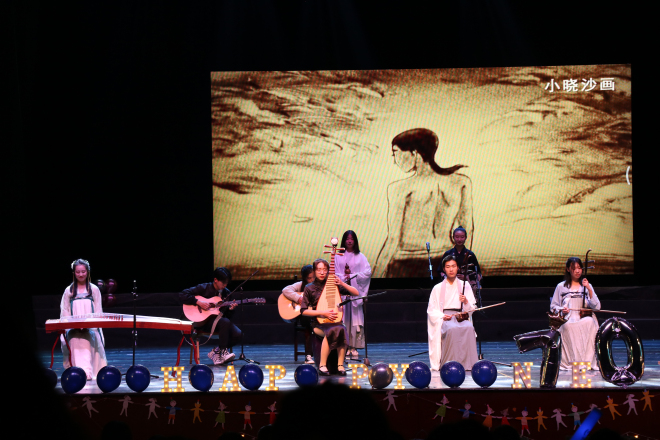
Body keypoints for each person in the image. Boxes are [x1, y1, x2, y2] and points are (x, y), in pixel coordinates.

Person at [373, 128, 473, 278]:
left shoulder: (400, 188)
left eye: (396, 152)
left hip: (405, 265)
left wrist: (374, 279)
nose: (394, 160)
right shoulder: (461, 182)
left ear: (414, 152)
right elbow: (467, 230)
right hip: (446, 261)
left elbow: (393, 239)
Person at [300, 258, 359, 376]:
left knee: (341, 329)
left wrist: (342, 283)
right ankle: (322, 365)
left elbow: (356, 293)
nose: (322, 272)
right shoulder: (309, 288)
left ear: (328, 270)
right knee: (332, 331)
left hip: (335, 323)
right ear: (314, 271)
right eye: (319, 270)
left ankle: (340, 365)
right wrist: (323, 313)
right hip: (318, 323)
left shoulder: (333, 285)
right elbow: (303, 311)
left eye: (324, 269)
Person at [179, 267, 241, 365]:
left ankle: (216, 352)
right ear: (215, 280)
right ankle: (223, 352)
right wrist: (198, 302)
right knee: (225, 322)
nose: (225, 285)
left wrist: (230, 309)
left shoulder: (227, 293)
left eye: (226, 283)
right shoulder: (203, 288)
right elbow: (182, 294)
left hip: (219, 323)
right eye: (223, 283)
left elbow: (227, 316)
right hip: (202, 323)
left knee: (238, 334)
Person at [59, 259, 108, 380]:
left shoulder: (94, 289)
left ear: (87, 272)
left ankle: (88, 373)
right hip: (73, 327)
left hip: (91, 327)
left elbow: (98, 310)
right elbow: (65, 310)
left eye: (83, 271)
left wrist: (92, 324)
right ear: (74, 273)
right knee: (74, 342)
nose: (80, 274)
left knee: (89, 340)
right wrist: (70, 325)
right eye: (78, 272)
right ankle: (78, 372)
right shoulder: (69, 290)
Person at [427, 255, 478, 371]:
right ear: (444, 269)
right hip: (445, 317)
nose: (451, 269)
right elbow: (431, 310)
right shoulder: (437, 288)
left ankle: (469, 364)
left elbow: (471, 308)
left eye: (453, 266)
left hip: (460, 316)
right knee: (451, 329)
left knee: (469, 327)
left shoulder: (465, 285)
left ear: (458, 268)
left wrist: (466, 302)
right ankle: (449, 365)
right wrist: (442, 316)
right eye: (448, 267)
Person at [550, 257, 601, 370]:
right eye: (574, 268)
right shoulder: (561, 286)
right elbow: (553, 306)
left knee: (590, 321)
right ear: (568, 269)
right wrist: (562, 309)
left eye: (579, 268)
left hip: (583, 317)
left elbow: (597, 307)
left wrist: (589, 288)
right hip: (568, 318)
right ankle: (573, 361)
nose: (577, 271)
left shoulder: (586, 286)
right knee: (566, 326)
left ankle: (587, 362)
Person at [334, 230, 372, 359]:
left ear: (355, 240)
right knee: (343, 319)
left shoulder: (360, 256)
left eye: (352, 239)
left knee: (355, 320)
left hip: (355, 294)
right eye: (347, 239)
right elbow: (334, 273)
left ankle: (354, 347)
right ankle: (343, 347)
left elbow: (367, 272)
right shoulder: (338, 256)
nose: (349, 241)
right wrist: (343, 277)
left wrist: (352, 276)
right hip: (342, 294)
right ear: (344, 241)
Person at [281, 264, 315, 364]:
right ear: (304, 278)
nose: (312, 280)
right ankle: (308, 356)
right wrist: (298, 298)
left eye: (313, 277)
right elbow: (285, 290)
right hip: (304, 317)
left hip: (316, 314)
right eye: (309, 278)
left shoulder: (319, 286)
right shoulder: (300, 285)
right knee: (309, 322)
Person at [440, 226, 482, 291]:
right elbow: (441, 271)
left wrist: (466, 277)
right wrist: (451, 277)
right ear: (453, 237)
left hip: (467, 286)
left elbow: (478, 273)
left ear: (466, 237)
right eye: (457, 237)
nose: (459, 239)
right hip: (450, 286)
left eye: (462, 237)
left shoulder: (470, 254)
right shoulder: (448, 254)